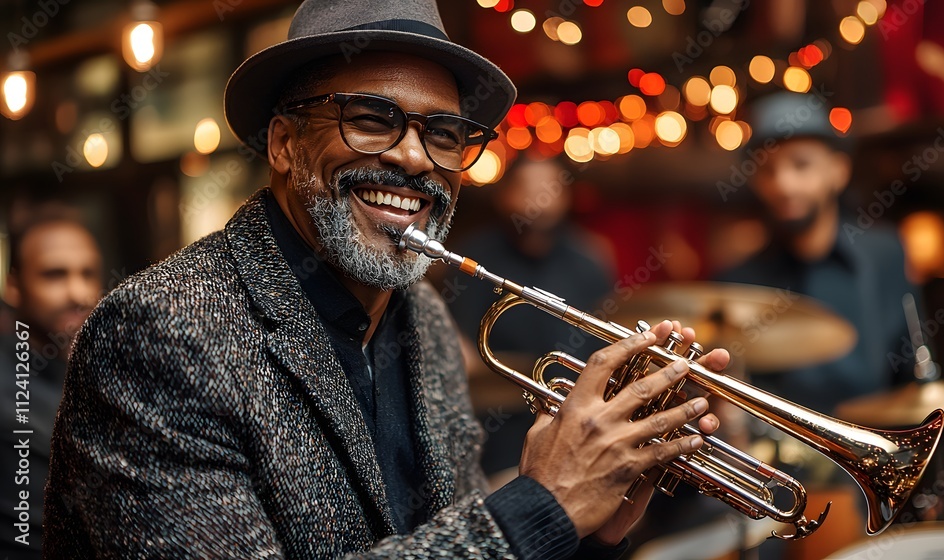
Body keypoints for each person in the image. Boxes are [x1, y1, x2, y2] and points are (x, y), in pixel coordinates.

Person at [43, 1, 726, 558]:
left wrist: (589, 524)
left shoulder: (423, 317)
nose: (413, 158)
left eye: (445, 134)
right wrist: (537, 508)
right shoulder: (158, 331)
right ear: (284, 144)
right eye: (372, 120)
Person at [717, 92, 916, 416]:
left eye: (801, 164)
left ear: (838, 170)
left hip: (882, 437)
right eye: (768, 171)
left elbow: (912, 364)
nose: (783, 184)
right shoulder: (739, 280)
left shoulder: (885, 253)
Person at [443, 156, 615, 478]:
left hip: (577, 416)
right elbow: (459, 346)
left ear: (566, 197)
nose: (538, 199)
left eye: (549, 189)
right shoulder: (474, 258)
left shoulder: (589, 260)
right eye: (526, 189)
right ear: (504, 195)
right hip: (499, 421)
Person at [1, 215, 103, 556]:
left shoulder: (96, 369)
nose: (79, 292)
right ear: (13, 286)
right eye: (54, 274)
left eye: (88, 273)